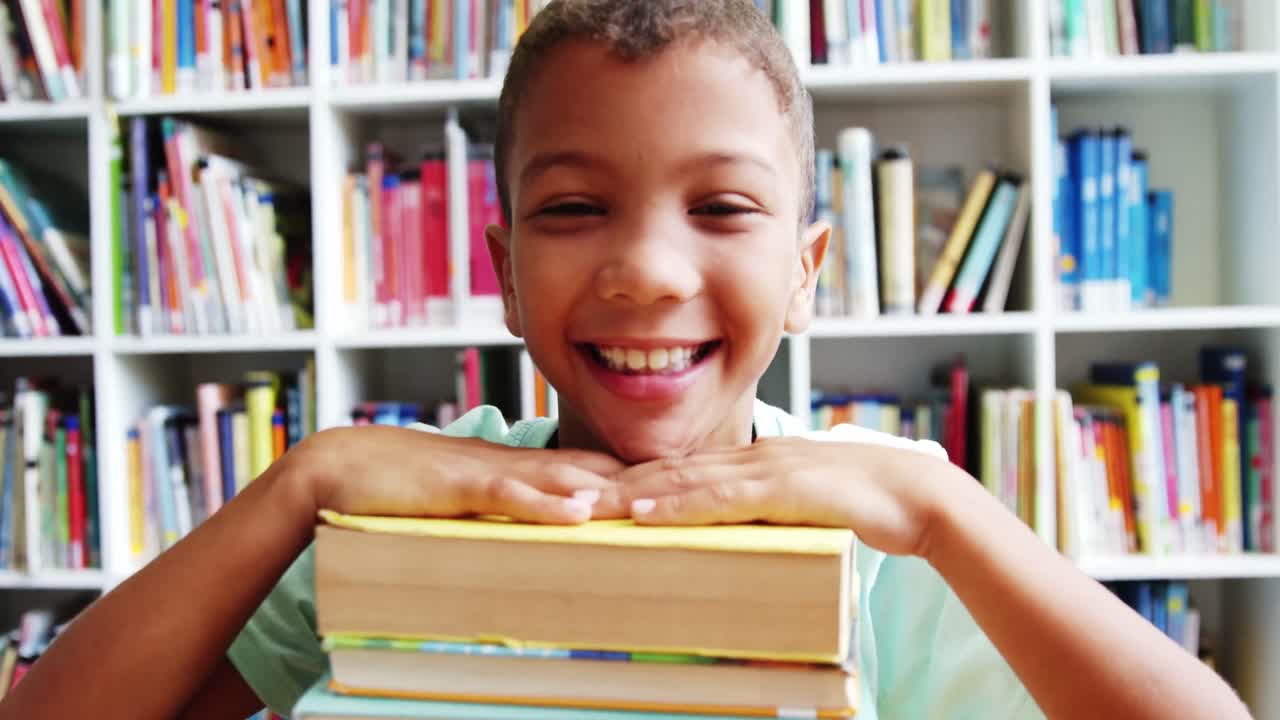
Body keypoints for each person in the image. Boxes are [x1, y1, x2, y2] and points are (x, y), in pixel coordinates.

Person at [1, 2, 1250, 718]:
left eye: (720, 210)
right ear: (496, 269)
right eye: (570, 209)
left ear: (809, 268)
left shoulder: (892, 532)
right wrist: (297, 483)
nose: (646, 271)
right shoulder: (395, 512)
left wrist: (938, 505)